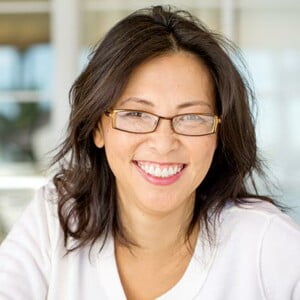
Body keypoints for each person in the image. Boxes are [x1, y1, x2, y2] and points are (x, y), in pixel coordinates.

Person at [0, 5, 299, 300]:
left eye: (192, 117)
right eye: (136, 114)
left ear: (220, 134)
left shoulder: (266, 242)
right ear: (98, 128)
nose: (163, 142)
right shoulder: (56, 220)